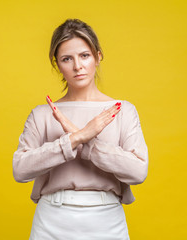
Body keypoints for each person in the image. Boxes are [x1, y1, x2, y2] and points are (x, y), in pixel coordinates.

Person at [12, 18, 149, 240]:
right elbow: (20, 169)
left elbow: (138, 172)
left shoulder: (122, 111)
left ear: (98, 56)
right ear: (57, 64)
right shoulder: (43, 114)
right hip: (51, 220)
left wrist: (85, 143)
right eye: (67, 59)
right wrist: (76, 138)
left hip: (107, 220)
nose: (77, 66)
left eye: (84, 55)